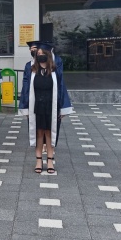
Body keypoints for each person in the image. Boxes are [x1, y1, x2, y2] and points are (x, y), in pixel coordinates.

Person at [18, 46, 72, 174]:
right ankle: (38, 160)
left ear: (48, 54)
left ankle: (50, 160)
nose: (40, 55)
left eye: (42, 53)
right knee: (38, 133)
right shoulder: (32, 69)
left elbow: (61, 87)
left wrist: (63, 108)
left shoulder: (54, 70)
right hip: (36, 106)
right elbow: (26, 89)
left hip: (51, 106)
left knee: (49, 133)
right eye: (38, 53)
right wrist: (25, 107)